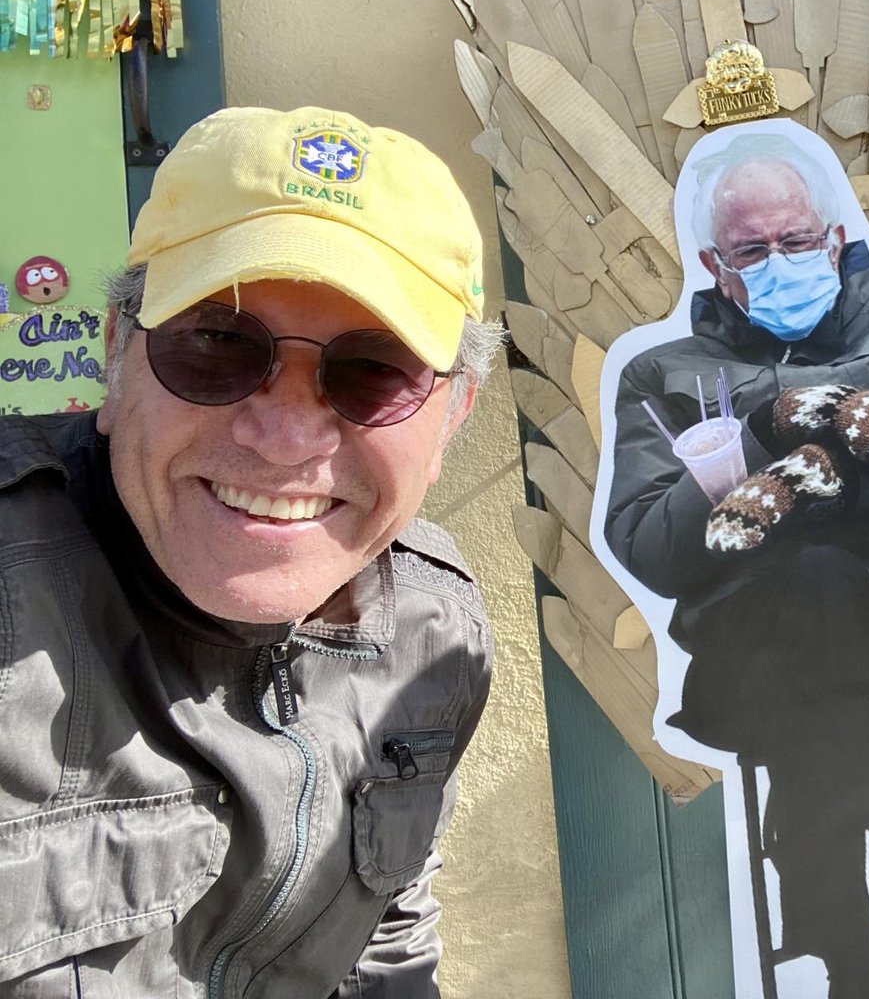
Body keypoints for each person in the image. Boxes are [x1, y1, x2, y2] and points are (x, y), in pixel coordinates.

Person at [0, 106, 502, 996]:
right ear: (116, 356)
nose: (285, 438)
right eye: (218, 345)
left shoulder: (434, 633)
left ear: (453, 415)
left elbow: (387, 934)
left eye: (374, 371)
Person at [603, 134, 869, 998]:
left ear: (834, 239)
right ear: (716, 266)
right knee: (815, 596)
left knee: (815, 605)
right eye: (752, 251)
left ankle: (850, 972)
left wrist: (831, 479)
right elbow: (647, 543)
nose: (779, 262)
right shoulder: (662, 374)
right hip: (754, 644)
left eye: (795, 241)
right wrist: (764, 433)